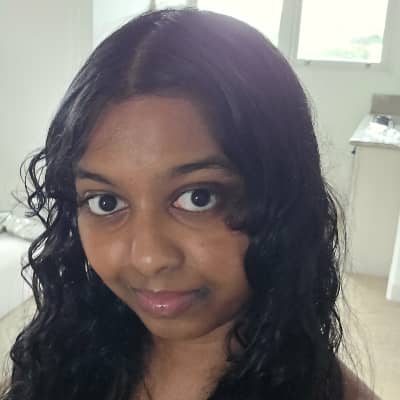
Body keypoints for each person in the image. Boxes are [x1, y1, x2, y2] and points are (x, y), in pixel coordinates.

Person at [1, 8, 377, 400]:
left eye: (199, 197)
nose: (148, 258)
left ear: (282, 194)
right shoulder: (60, 357)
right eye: (106, 202)